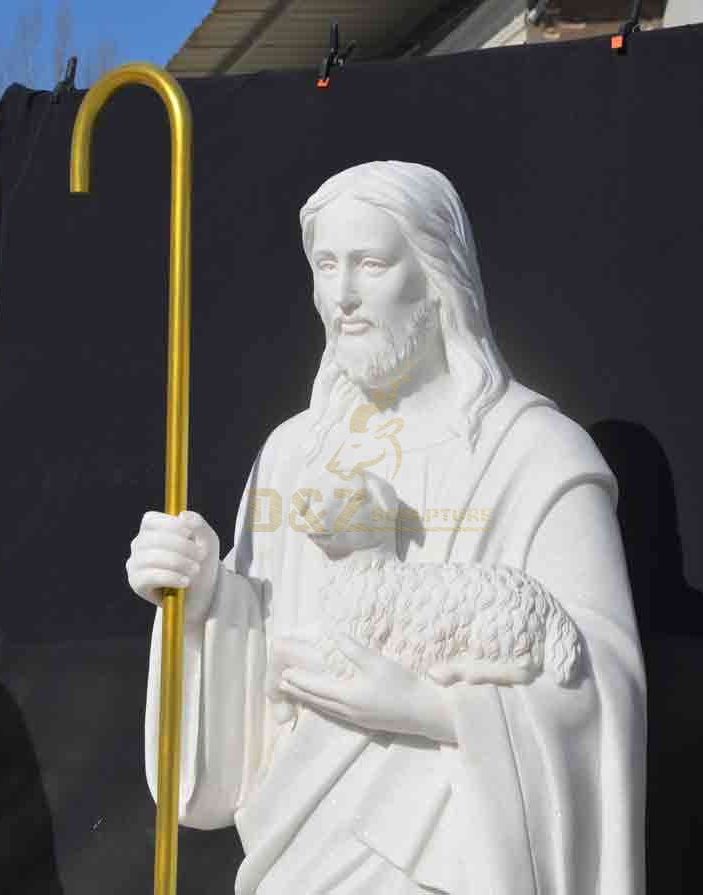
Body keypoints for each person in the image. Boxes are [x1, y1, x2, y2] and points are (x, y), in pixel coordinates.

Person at [126, 161, 646, 894]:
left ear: (437, 279)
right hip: (302, 851)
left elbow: (598, 684)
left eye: (370, 264)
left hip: (447, 856)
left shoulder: (533, 454)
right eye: (325, 266)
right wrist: (204, 601)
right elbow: (259, 690)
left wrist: (430, 707)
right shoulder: (293, 452)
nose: (341, 296)